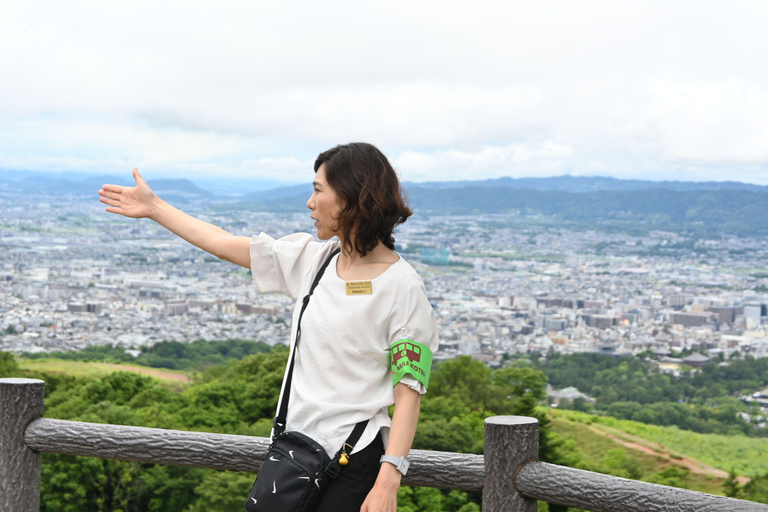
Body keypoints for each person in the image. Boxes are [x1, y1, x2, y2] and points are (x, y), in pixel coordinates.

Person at [98, 142, 439, 512]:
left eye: (318, 190)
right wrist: (154, 208)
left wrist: (389, 479)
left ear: (351, 198)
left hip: (352, 458)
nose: (310, 203)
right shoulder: (315, 261)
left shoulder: (403, 287)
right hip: (296, 450)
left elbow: (409, 390)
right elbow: (224, 244)